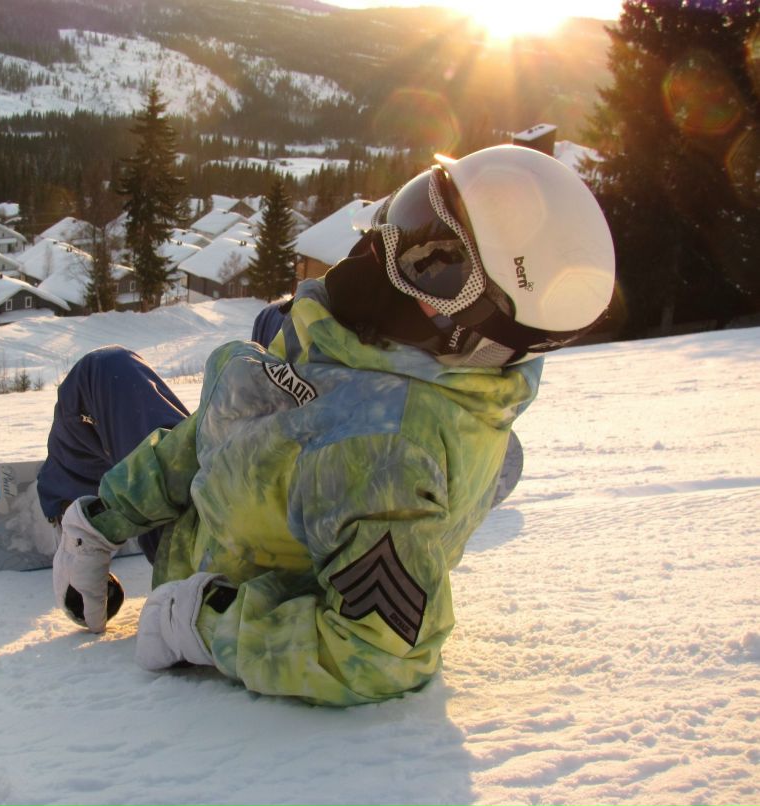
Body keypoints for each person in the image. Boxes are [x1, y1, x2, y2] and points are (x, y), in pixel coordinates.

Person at [41, 144, 615, 706]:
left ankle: (64, 499)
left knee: (104, 371)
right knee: (280, 321)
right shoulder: (442, 373)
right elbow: (240, 421)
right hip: (268, 485)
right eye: (411, 215)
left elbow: (380, 655)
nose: (383, 249)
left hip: (210, 559)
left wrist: (201, 620)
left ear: (478, 331)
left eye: (432, 266)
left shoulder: (383, 454)